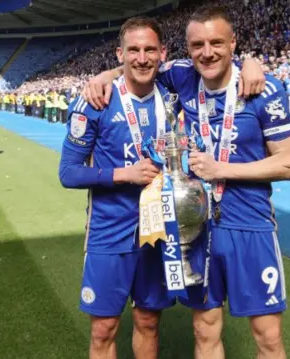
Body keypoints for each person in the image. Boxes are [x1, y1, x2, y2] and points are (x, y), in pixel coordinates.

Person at [82, 6, 290, 359]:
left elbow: (289, 163)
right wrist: (104, 75)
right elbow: (138, 67)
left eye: (217, 42)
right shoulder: (181, 76)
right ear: (187, 48)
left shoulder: (263, 89)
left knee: (268, 337)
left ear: (233, 44)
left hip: (251, 225)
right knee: (204, 329)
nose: (207, 52)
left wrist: (221, 170)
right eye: (197, 44)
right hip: (199, 228)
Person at [58, 17, 175, 359]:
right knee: (104, 329)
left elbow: (221, 61)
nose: (142, 58)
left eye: (150, 49)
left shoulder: (174, 97)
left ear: (162, 53)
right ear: (119, 54)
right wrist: (126, 175)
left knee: (149, 320)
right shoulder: (95, 102)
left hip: (158, 230)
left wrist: (252, 61)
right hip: (109, 231)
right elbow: (69, 173)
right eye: (133, 50)